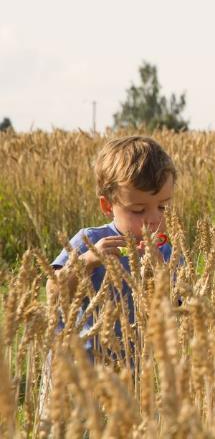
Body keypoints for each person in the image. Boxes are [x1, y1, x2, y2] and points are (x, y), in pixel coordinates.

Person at [46, 135, 176, 356]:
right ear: (107, 205)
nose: (154, 218)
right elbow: (52, 292)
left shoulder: (167, 252)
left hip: (133, 375)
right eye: (138, 210)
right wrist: (87, 262)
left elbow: (177, 310)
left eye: (162, 207)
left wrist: (161, 276)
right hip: (76, 371)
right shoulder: (90, 240)